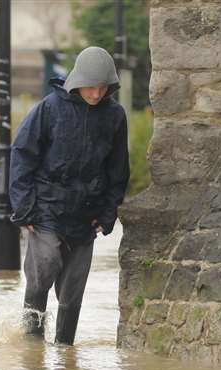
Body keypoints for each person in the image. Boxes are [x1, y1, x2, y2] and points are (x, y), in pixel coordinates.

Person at [9, 46, 130, 345]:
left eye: (103, 88)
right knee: (43, 268)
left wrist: (108, 213)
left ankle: (65, 352)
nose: (96, 94)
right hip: (46, 209)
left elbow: (118, 170)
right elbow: (22, 155)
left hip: (86, 215)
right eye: (91, 87)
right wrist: (24, 209)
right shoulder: (49, 109)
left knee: (73, 289)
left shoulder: (115, 116)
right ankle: (32, 346)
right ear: (77, 81)